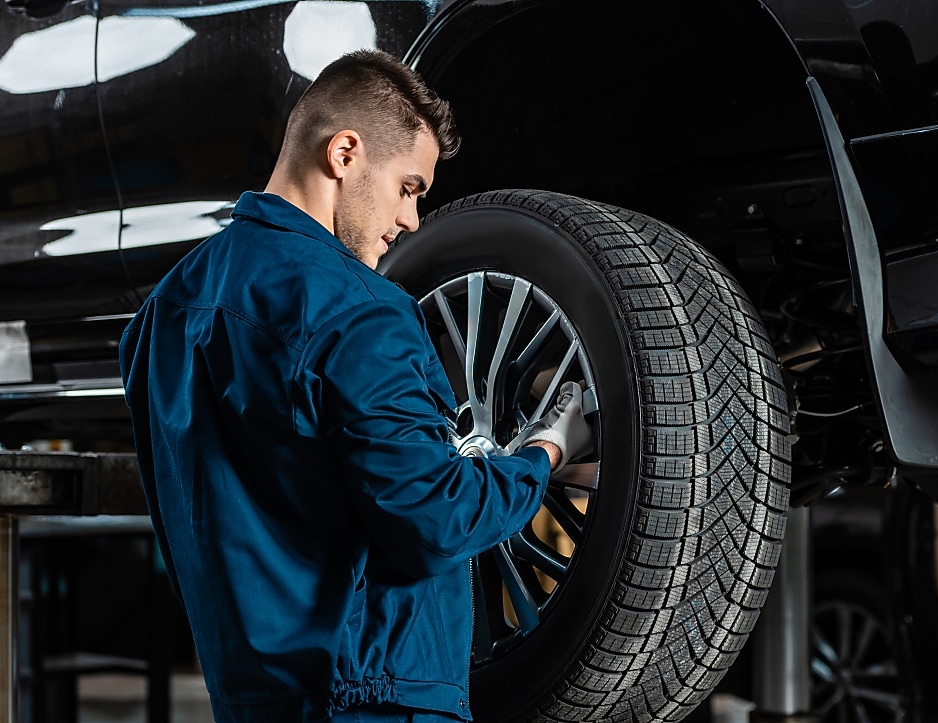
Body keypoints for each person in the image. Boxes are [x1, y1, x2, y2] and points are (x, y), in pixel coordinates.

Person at [119, 50, 592, 723]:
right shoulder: (361, 309)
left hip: (249, 700)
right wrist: (544, 452)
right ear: (345, 152)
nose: (413, 221)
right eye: (409, 187)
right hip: (372, 699)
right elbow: (432, 521)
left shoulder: (158, 319)